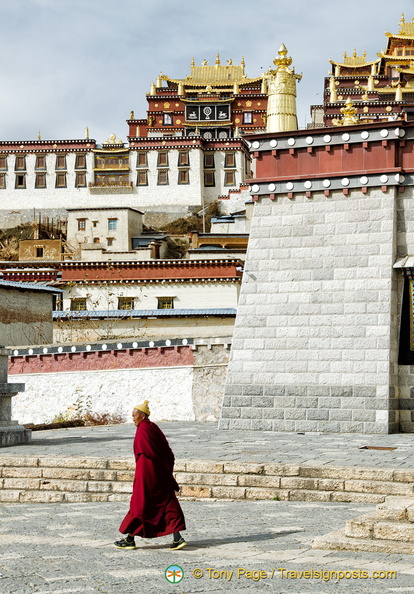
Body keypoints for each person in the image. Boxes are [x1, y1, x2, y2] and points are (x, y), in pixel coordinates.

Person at [114, 400, 187, 551]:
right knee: (168, 504)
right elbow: (167, 451)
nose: (132, 418)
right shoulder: (153, 427)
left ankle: (129, 539)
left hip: (147, 475)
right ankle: (177, 538)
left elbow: (147, 455)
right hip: (160, 473)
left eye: (134, 415)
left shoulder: (143, 430)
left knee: (139, 505)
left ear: (142, 415)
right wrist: (166, 471)